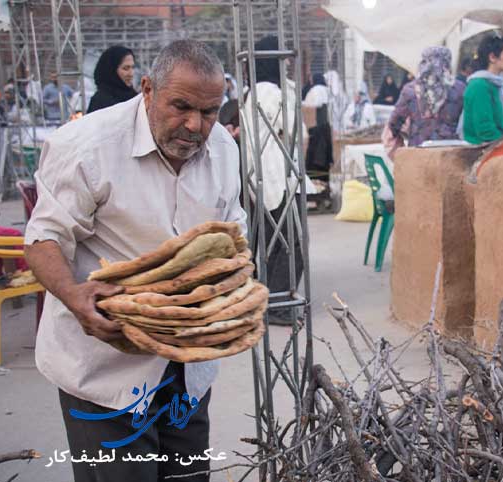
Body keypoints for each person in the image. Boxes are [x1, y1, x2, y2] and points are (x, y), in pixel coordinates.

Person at [23, 40, 246, 482]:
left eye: (209, 111)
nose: (195, 125)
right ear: (146, 89)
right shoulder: (86, 146)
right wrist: (74, 295)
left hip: (187, 366)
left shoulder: (223, 149)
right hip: (105, 372)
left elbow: (233, 236)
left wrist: (230, 290)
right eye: (180, 106)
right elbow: (43, 237)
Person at [241, 35, 306, 326]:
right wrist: (271, 186)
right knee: (288, 243)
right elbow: (267, 142)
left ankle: (266, 302)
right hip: (272, 178)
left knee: (277, 244)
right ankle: (276, 306)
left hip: (277, 177)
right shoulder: (266, 91)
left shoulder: (274, 89)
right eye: (282, 59)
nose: (288, 64)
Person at [386, 46, 465, 148]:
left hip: (418, 153)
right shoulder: (459, 88)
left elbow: (394, 123)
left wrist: (405, 136)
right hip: (450, 153)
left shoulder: (410, 90)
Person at [462, 35, 503, 144]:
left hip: (501, 146)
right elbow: (485, 130)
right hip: (484, 150)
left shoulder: (500, 84)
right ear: (492, 57)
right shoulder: (479, 86)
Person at [87, 45, 137, 113]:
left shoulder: (135, 99)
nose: (131, 74)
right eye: (126, 68)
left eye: (133, 67)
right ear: (111, 70)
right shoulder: (100, 102)